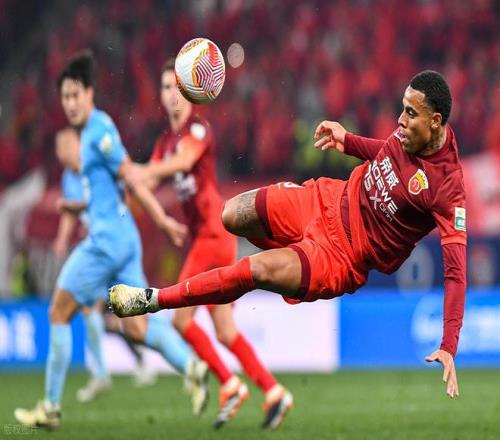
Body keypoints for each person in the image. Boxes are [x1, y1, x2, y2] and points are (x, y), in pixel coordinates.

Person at [111, 70, 466, 401]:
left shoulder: (448, 190)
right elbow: (387, 154)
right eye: (402, 109)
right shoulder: (410, 134)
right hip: (325, 200)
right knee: (231, 214)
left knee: (256, 269)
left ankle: (153, 300)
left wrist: (449, 344)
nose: (400, 120)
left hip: (341, 257)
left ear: (435, 121)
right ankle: (292, 253)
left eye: (410, 114)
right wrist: (348, 141)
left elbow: (455, 273)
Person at [14, 51, 208, 430]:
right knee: (136, 326)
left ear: (89, 93)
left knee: (58, 312)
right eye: (65, 97)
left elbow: (129, 177)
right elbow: (110, 190)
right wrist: (78, 206)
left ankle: (50, 407)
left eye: (75, 95)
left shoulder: (98, 131)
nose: (70, 103)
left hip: (105, 242)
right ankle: (191, 366)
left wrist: (161, 219)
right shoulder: (91, 133)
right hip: (123, 238)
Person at [123, 59, 293, 430]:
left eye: (177, 87)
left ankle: (230, 383)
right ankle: (274, 391)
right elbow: (145, 184)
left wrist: (140, 171)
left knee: (180, 319)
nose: (172, 95)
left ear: (190, 92)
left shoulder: (198, 131)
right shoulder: (164, 143)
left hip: (214, 235)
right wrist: (145, 204)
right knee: (225, 331)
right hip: (206, 238)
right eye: (166, 87)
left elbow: (177, 164)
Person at [52, 127, 157, 403]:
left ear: (76, 145)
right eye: (58, 148)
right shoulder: (68, 176)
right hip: (96, 249)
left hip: (114, 245)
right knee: (95, 309)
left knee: (127, 310)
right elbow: (72, 213)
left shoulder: (95, 163)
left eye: (64, 146)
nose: (60, 153)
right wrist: (62, 238)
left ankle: (172, 354)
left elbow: (112, 195)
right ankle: (105, 371)